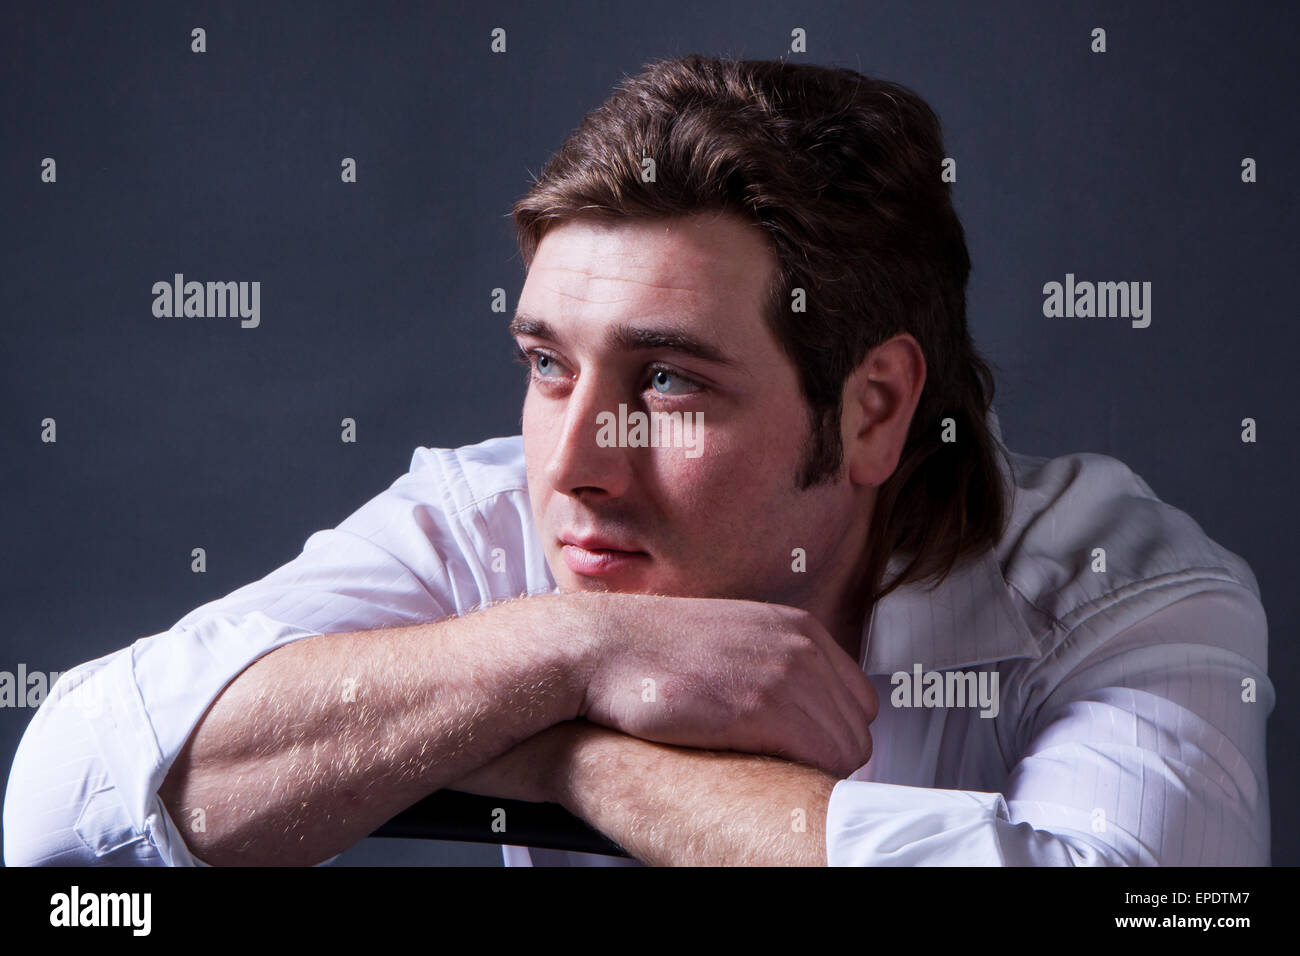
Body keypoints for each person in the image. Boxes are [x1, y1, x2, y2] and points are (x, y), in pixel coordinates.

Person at [3, 55, 1272, 867]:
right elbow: (61, 811)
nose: (572, 465)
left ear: (876, 406)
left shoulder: (1123, 590)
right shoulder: (491, 519)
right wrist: (567, 655)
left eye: (668, 379)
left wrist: (563, 756)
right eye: (549, 363)